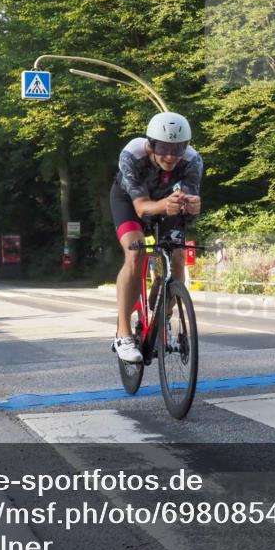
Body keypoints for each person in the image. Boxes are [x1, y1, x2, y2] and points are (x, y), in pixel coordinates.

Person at [111, 112, 202, 363]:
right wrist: (167, 204)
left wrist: (193, 206)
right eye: (164, 149)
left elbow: (188, 206)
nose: (171, 157)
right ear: (151, 144)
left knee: (178, 256)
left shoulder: (193, 160)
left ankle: (164, 312)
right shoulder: (133, 154)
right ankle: (123, 332)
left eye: (178, 149)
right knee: (135, 252)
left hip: (166, 203)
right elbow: (141, 208)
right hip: (130, 201)